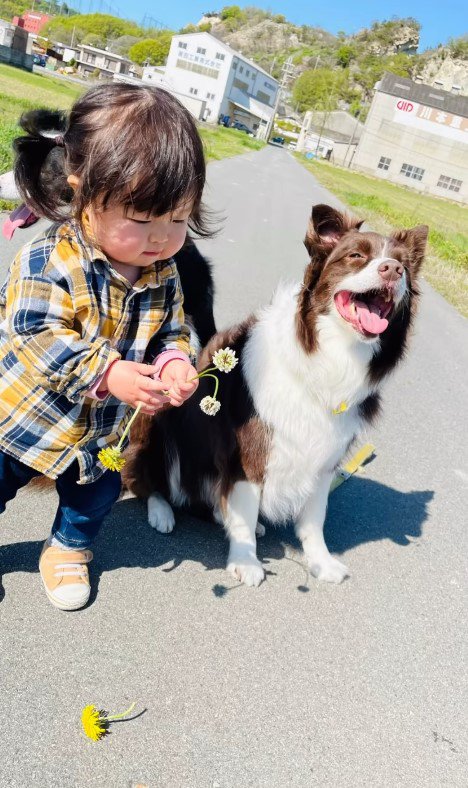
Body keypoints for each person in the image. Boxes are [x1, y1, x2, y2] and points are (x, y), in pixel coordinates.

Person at [0, 83, 210, 611]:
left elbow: (173, 327)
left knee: (93, 495)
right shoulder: (48, 259)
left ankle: (69, 549)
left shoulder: (163, 271)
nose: (161, 238)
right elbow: (35, 333)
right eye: (142, 220)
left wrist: (175, 361)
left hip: (100, 433)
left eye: (179, 219)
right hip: (22, 415)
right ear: (83, 189)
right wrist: (109, 373)